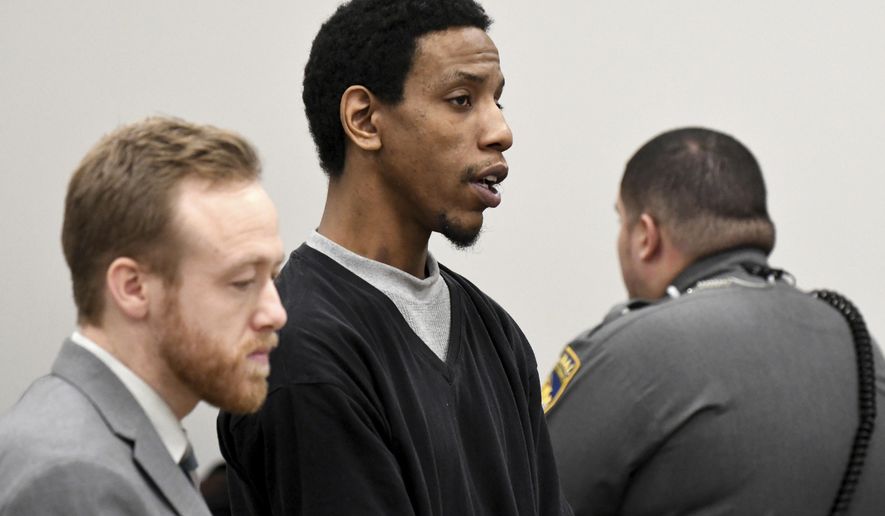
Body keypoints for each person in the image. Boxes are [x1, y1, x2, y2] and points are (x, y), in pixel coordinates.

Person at [217, 1, 571, 514]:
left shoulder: (497, 334)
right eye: (461, 99)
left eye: (497, 100)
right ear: (364, 120)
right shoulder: (298, 347)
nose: (501, 131)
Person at [543, 127, 885, 515]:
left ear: (644, 236)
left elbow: (522, 493)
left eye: (622, 220)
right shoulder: (859, 345)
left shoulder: (632, 351)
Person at [0, 117, 288, 515]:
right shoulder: (73, 477)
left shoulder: (122, 443)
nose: (275, 313)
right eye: (241, 281)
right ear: (133, 288)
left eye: (272, 276)